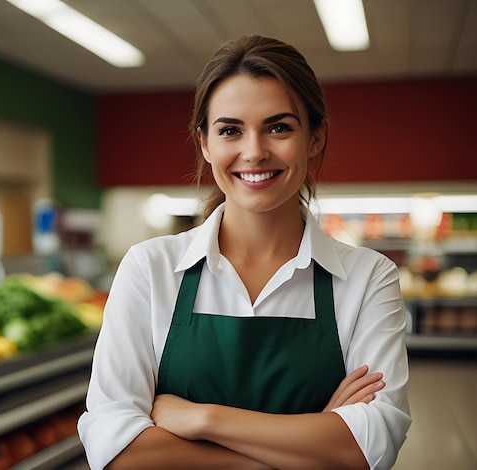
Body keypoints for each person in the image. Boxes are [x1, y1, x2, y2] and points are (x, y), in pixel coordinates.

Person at [78, 35, 411, 469]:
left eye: (279, 127)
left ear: (315, 138)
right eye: (230, 130)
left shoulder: (368, 278)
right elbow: (114, 448)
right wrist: (314, 437)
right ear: (205, 143)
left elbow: (371, 446)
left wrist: (204, 419)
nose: (254, 152)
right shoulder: (150, 268)